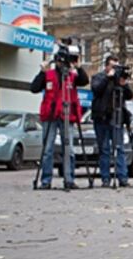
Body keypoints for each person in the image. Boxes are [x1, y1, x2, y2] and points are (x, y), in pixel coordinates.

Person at [30, 51, 89, 189]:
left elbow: (84, 81)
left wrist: (79, 67)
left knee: (69, 149)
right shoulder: (48, 75)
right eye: (60, 62)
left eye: (65, 62)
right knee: (48, 149)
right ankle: (46, 180)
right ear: (55, 62)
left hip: (67, 114)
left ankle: (69, 178)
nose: (63, 65)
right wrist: (41, 73)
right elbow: (34, 88)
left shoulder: (71, 76)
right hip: (50, 115)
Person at [90, 55, 133, 188]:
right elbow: (96, 90)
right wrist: (108, 78)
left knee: (119, 148)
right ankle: (105, 178)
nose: (115, 69)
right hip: (102, 118)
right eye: (113, 66)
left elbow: (130, 95)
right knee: (104, 149)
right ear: (107, 66)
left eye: (117, 66)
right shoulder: (99, 77)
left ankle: (122, 177)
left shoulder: (119, 80)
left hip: (117, 118)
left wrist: (124, 84)